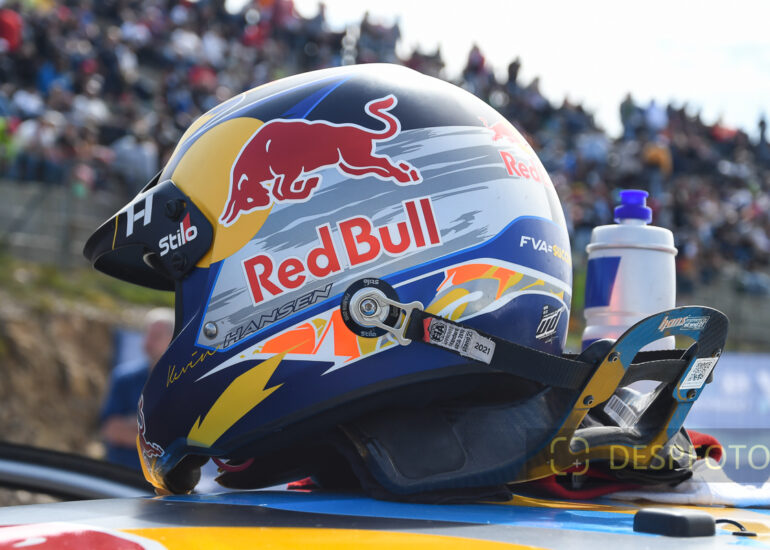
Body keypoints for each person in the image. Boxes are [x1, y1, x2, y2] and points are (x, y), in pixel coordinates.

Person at [100, 308, 174, 470]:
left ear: (173, 340)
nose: (148, 341)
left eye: (156, 336)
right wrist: (158, 434)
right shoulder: (124, 378)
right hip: (121, 473)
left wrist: (135, 425)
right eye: (147, 334)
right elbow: (111, 430)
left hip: (163, 479)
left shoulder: (181, 384)